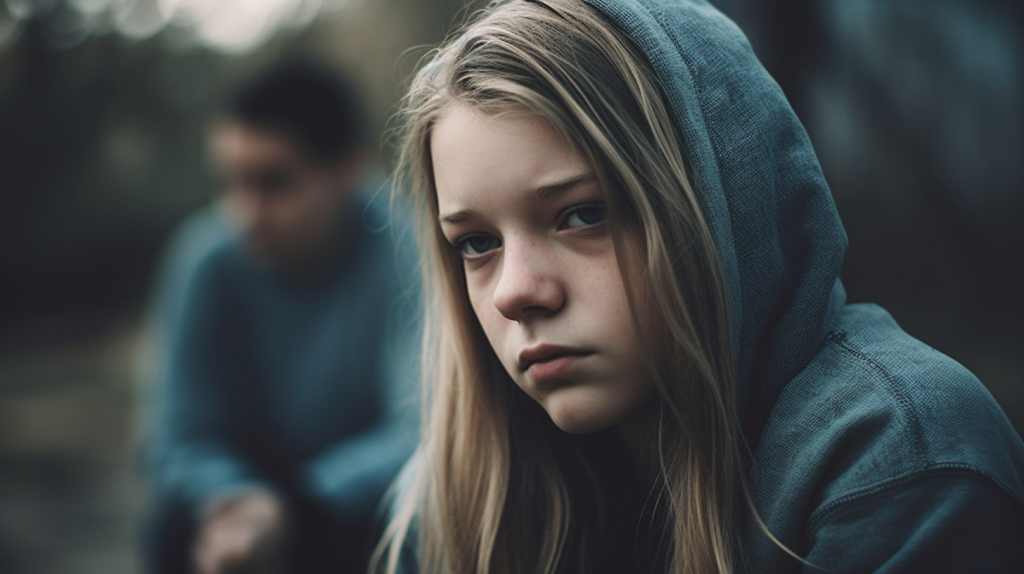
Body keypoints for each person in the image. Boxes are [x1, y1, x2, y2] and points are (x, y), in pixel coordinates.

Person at [371, 0, 1024, 573]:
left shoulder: (902, 462)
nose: (514, 292)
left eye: (584, 214)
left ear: (719, 206)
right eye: (476, 244)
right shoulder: (457, 497)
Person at [142, 61, 420, 574]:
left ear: (347, 169)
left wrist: (297, 506)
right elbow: (179, 437)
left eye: (273, 182)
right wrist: (239, 501)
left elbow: (424, 430)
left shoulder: (409, 245)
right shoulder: (205, 259)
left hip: (355, 507)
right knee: (174, 528)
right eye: (232, 183)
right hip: (243, 497)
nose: (246, 211)